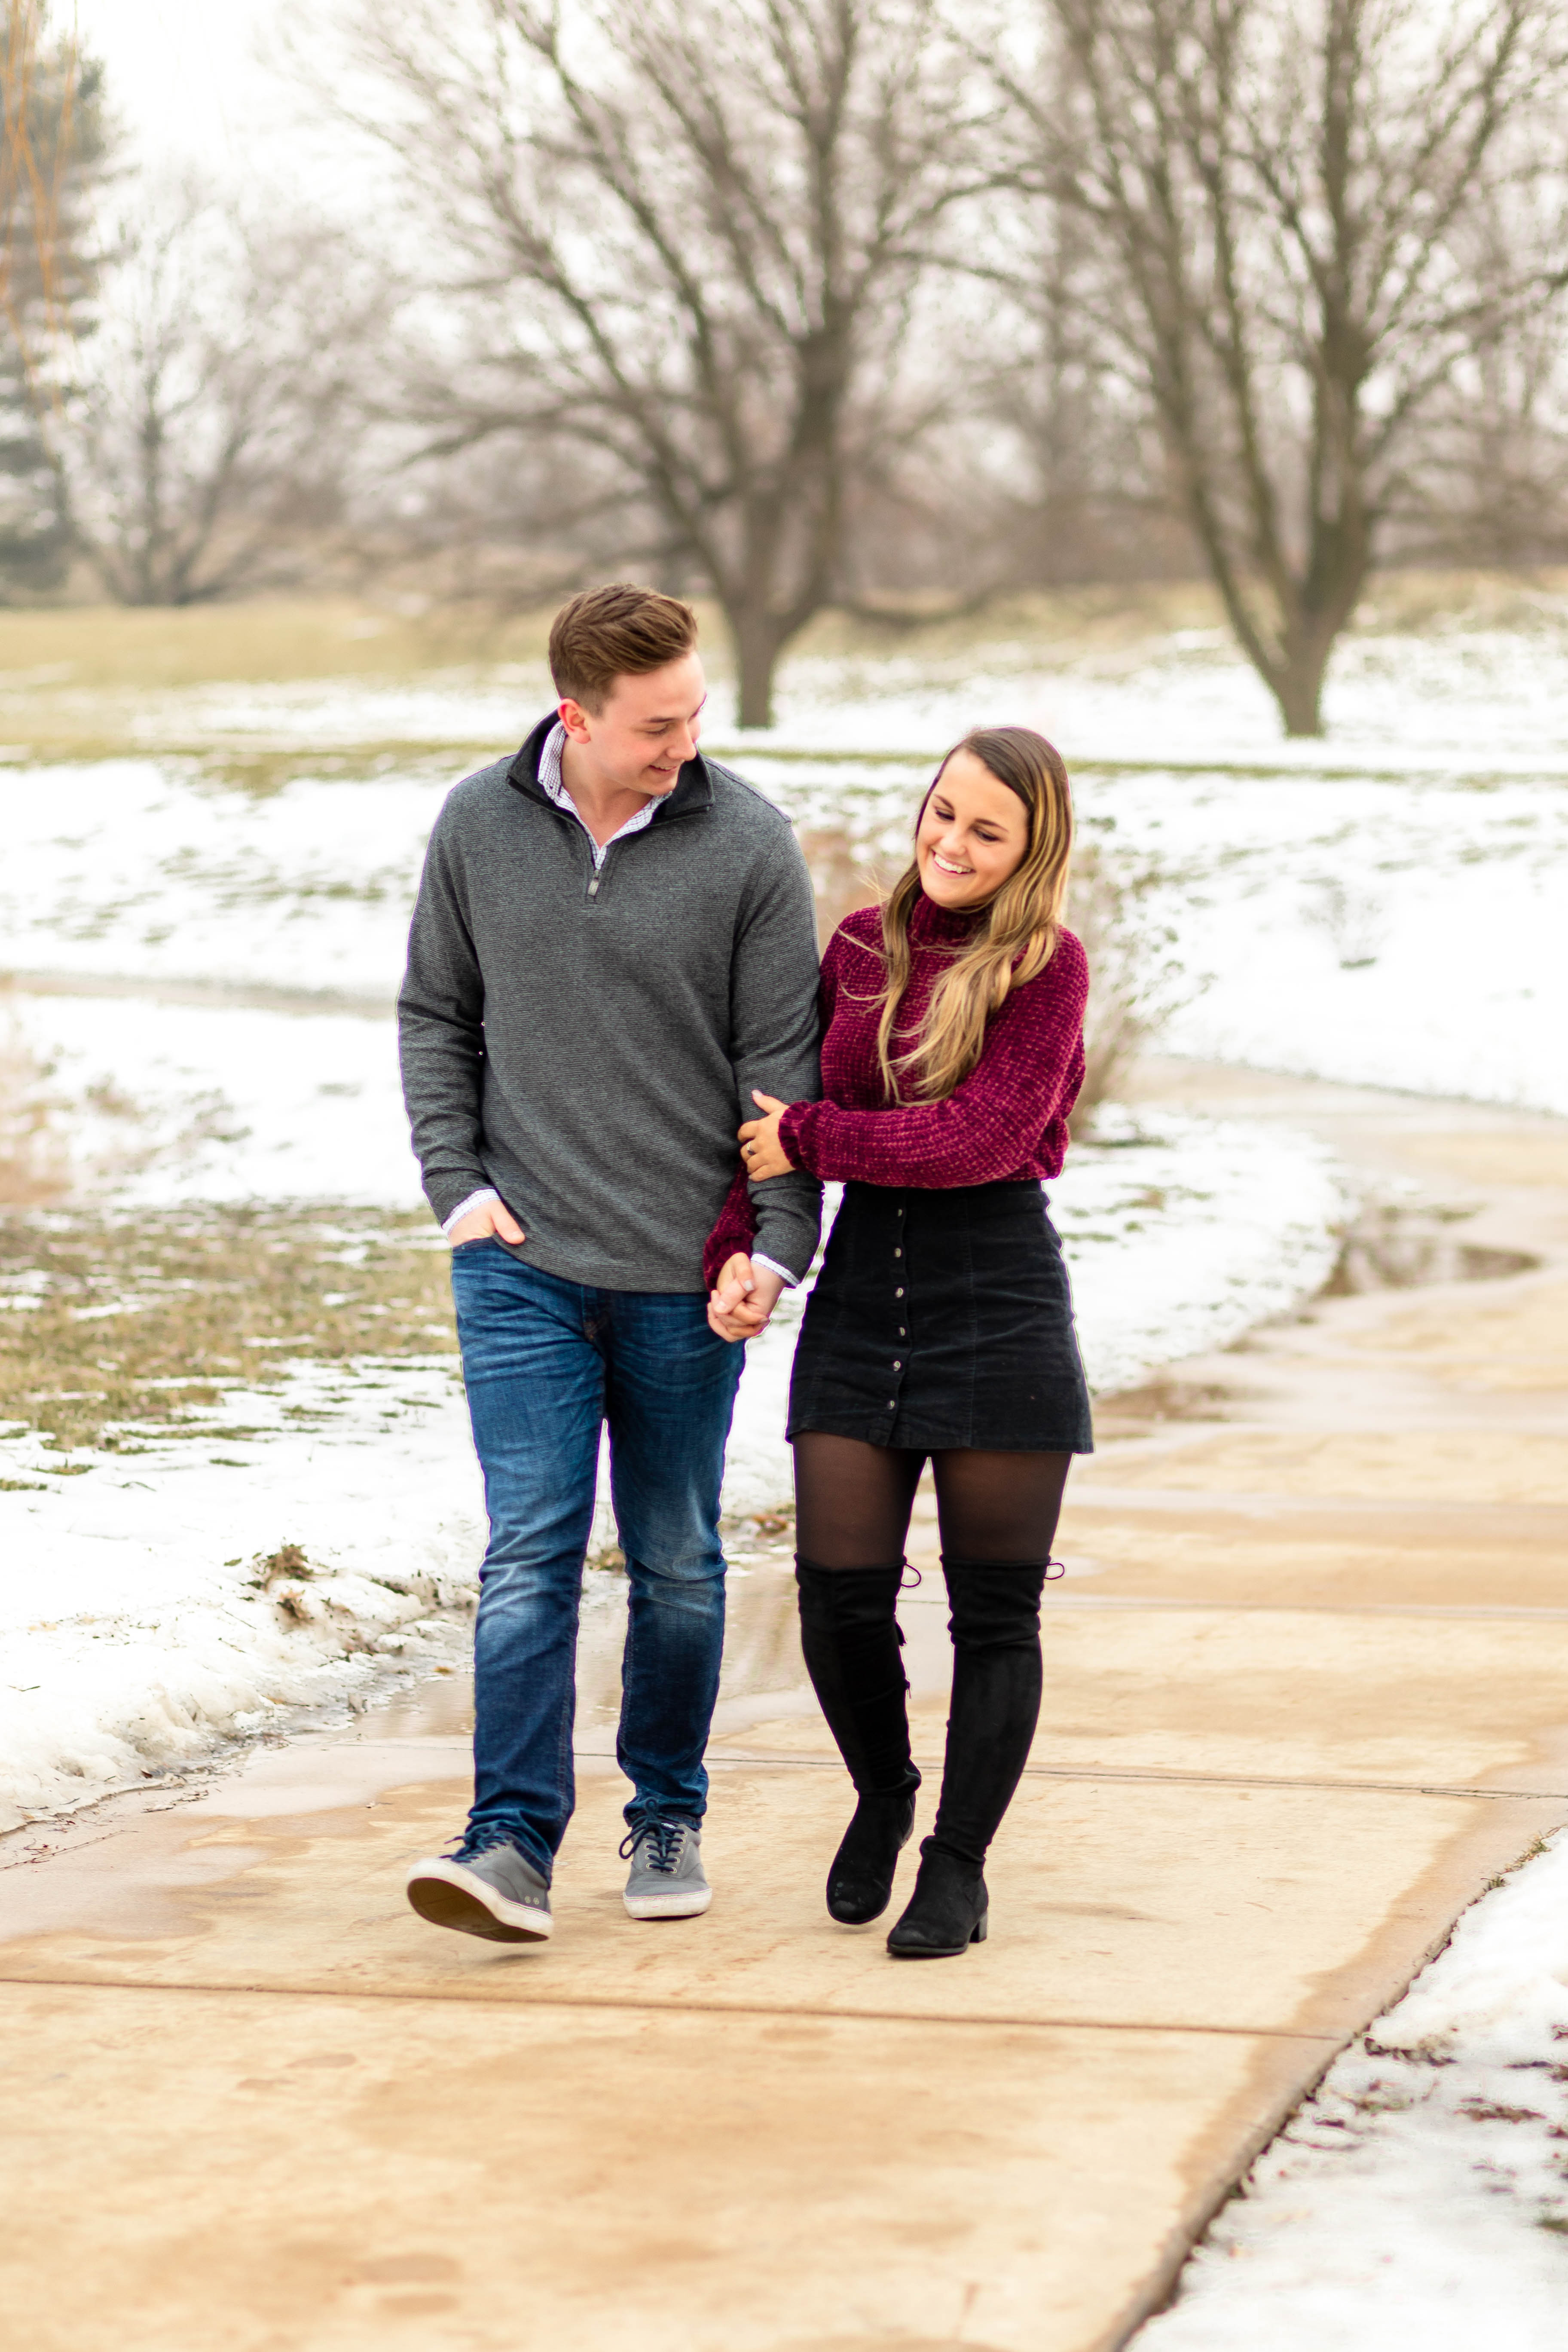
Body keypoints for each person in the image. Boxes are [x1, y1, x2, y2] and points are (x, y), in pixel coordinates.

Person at [400, 583, 821, 1945]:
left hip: (682, 1276)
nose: (682, 745)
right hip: (518, 1259)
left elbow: (782, 1079)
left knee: (678, 1557)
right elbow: (435, 1014)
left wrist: (774, 1246)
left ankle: (665, 1808)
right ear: (573, 715)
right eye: (654, 724)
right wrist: (456, 1187)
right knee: (529, 1551)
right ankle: (510, 1841)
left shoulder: (749, 845)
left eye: (694, 714)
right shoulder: (476, 823)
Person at [707, 727, 1091, 1960]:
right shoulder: (860, 948)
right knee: (835, 1596)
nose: (952, 844)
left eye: (986, 830)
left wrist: (816, 1141)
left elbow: (977, 1136)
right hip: (864, 1293)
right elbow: (768, 1118)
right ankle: (882, 1789)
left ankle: (959, 1866)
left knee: (993, 1615)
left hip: (999, 1294)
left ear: (1031, 849)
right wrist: (746, 1246)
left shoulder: (1046, 965)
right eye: (941, 814)